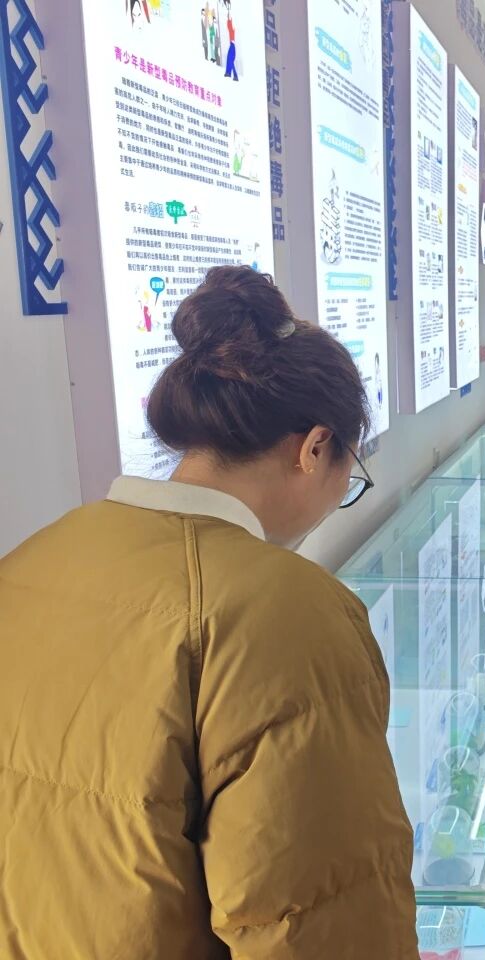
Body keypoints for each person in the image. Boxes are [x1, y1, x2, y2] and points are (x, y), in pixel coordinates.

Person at [0, 266, 416, 958]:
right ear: (315, 448)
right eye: (351, 475)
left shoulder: (30, 562)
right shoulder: (291, 614)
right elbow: (314, 923)